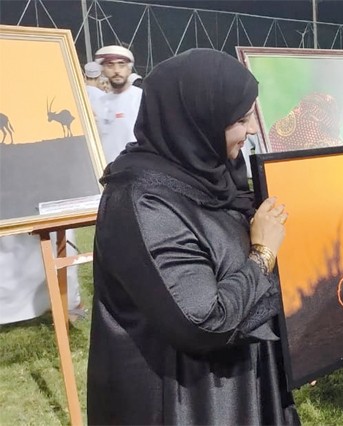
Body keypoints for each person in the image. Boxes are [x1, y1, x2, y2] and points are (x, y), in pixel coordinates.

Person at [87, 48, 299, 425]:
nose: (252, 130)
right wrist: (263, 254)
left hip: (235, 387)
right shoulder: (141, 202)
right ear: (196, 120)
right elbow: (203, 319)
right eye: (241, 119)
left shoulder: (212, 175)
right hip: (183, 402)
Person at [93, 45, 143, 163]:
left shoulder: (141, 98)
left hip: (134, 167)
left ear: (129, 69)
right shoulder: (98, 103)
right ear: (103, 70)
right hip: (105, 169)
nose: (116, 70)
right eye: (110, 65)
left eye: (121, 64)